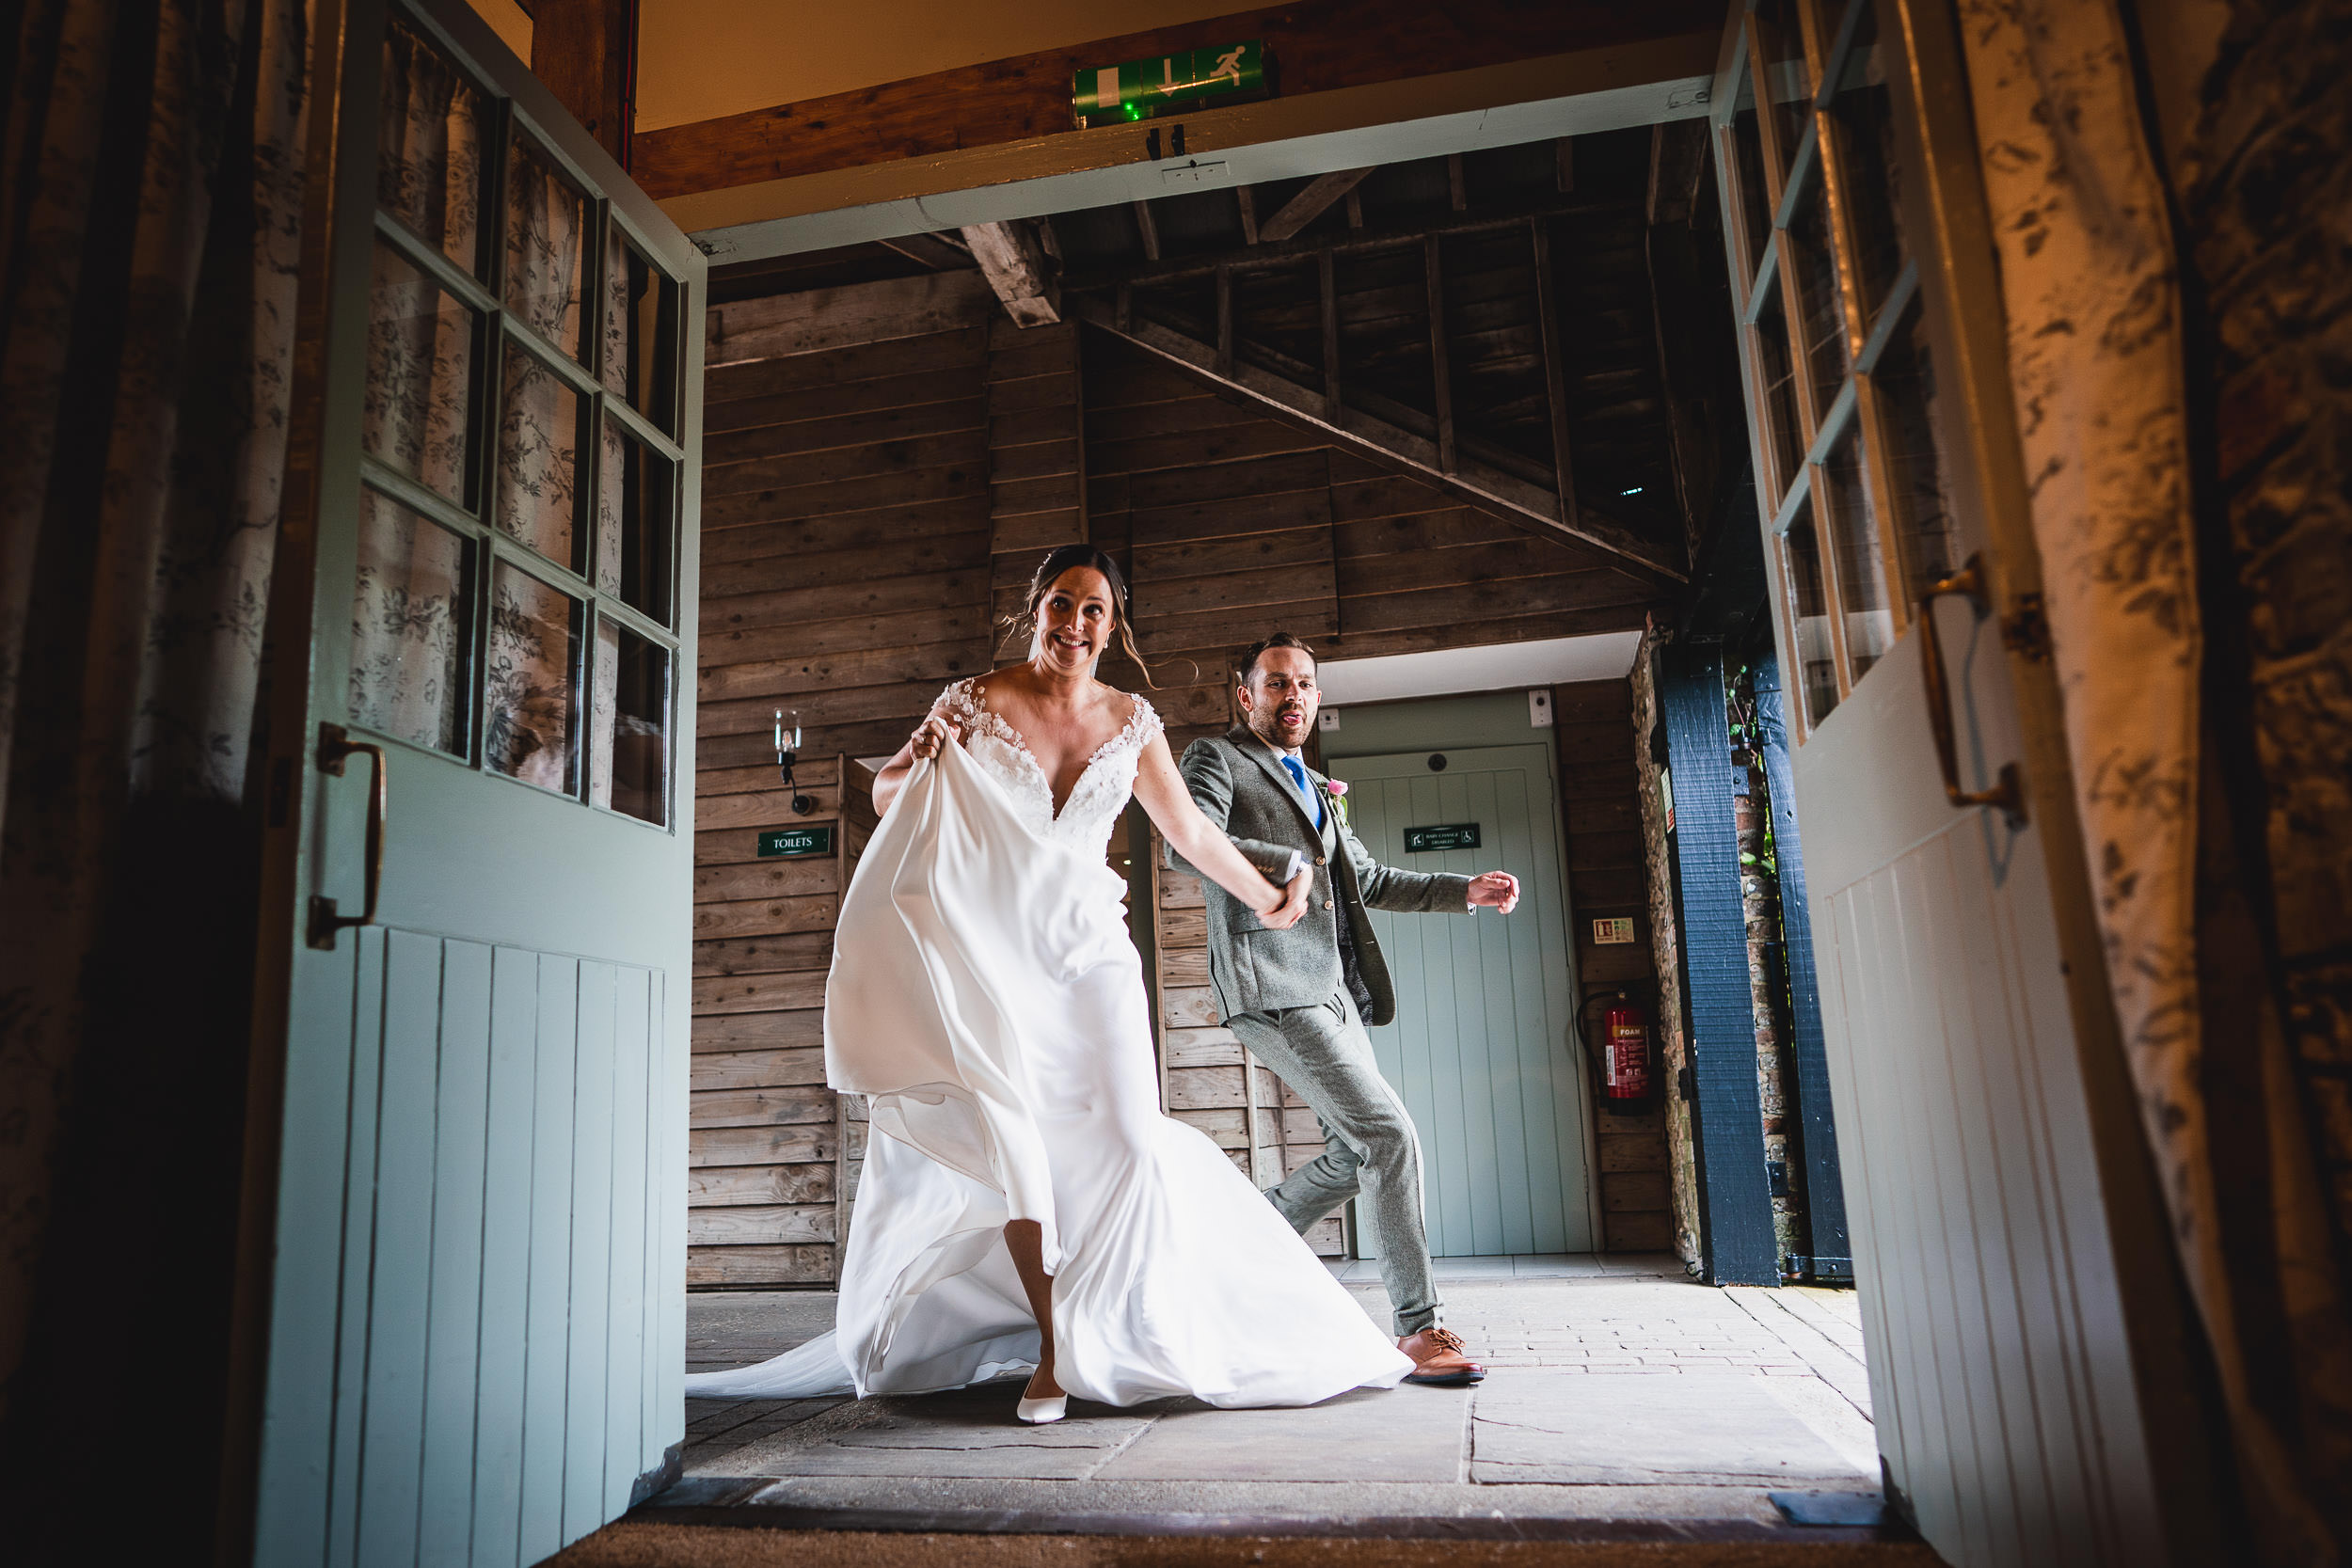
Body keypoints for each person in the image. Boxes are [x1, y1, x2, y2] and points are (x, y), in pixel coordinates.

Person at [684, 548, 1413, 1423]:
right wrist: (913, 758)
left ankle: (1126, 1321)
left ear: (1114, 624)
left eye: (1094, 610)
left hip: (1091, 957)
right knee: (1019, 1151)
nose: (1075, 624)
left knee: (1130, 1143)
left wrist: (1270, 895)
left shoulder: (1133, 720)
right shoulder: (975, 699)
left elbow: (1187, 833)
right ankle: (1055, 1345)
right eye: (1061, 604)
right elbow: (886, 797)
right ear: (1037, 610)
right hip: (994, 960)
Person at [1175, 632, 1521, 1387]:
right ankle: (1418, 1328)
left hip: (1335, 992)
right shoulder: (1216, 758)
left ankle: (1234, 1248)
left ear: (1317, 696)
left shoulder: (1312, 781)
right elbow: (1187, 842)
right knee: (1390, 1134)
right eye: (1275, 684)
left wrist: (1463, 889)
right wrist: (1286, 862)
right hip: (1271, 981)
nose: (1291, 695)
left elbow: (1366, 878)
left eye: (1303, 684)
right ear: (1246, 695)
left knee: (1352, 1149)